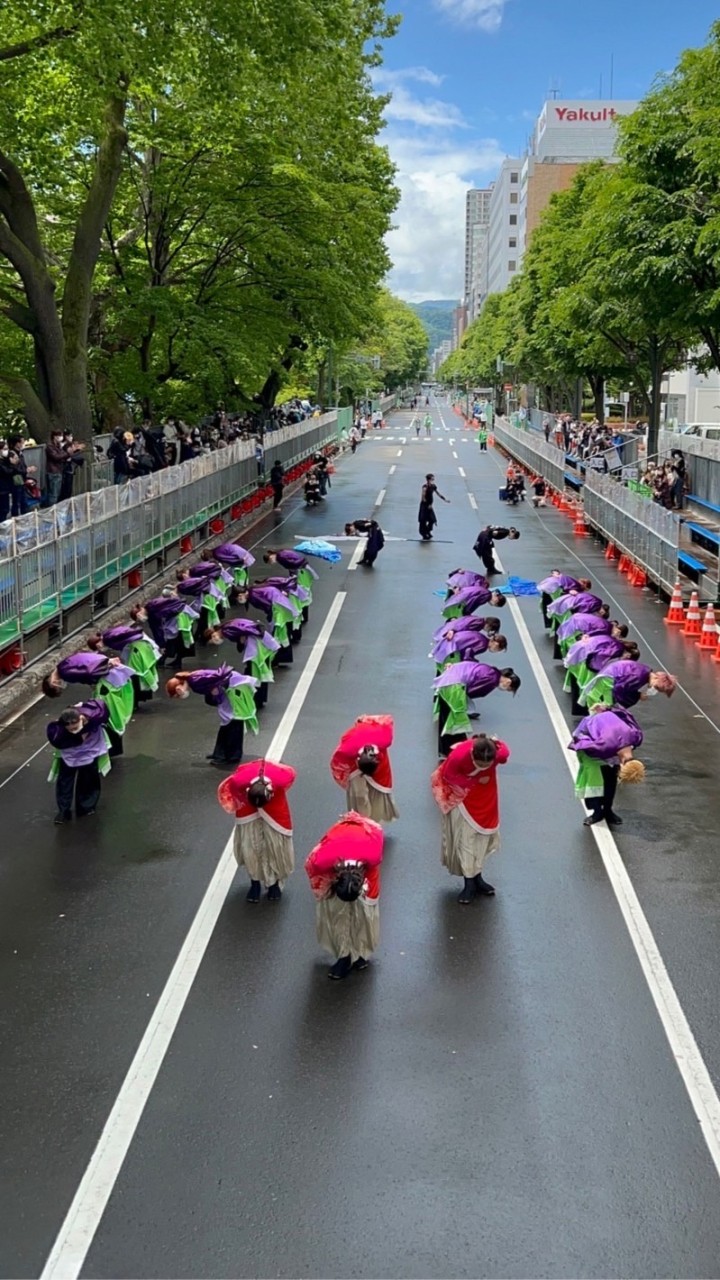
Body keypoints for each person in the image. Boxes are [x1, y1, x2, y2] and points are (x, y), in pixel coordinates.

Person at [431, 733, 510, 903]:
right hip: (463, 799)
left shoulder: (496, 753)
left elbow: (504, 754)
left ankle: (477, 877)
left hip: (487, 799)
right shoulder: (458, 755)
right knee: (465, 841)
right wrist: (473, 780)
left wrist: (497, 743)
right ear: (473, 754)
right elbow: (449, 776)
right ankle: (469, 882)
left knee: (482, 839)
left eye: (488, 764)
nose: (485, 766)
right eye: (480, 763)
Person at [305, 812, 384, 980]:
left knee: (363, 913)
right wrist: (329, 888)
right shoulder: (322, 859)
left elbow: (376, 862)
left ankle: (360, 953)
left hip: (364, 870)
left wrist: (363, 891)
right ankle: (345, 956)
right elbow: (312, 869)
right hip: (336, 869)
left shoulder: (372, 852)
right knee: (338, 914)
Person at [217, 759, 296, 902]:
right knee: (250, 849)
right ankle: (254, 883)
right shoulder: (239, 780)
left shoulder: (281, 777)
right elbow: (231, 789)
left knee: (275, 848)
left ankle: (274, 884)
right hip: (248, 811)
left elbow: (291, 775)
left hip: (275, 812)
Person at [41, 651, 134, 757]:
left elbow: (89, 671)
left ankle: (110, 748)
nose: (63, 686)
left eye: (59, 688)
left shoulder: (66, 673)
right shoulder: (63, 665)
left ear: (54, 683)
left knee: (109, 717)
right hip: (108, 673)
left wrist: (106, 664)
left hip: (106, 678)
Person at [166, 664, 259, 764]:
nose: (180, 697)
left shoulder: (195, 681)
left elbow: (215, 686)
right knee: (227, 721)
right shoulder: (193, 679)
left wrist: (217, 698)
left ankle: (231, 756)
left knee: (232, 720)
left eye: (177, 695)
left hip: (233, 687)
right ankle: (221, 753)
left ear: (178, 689)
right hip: (230, 687)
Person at [569, 706, 645, 827]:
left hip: (609, 744)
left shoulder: (636, 737)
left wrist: (609, 709)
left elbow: (627, 715)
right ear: (623, 763)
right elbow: (581, 741)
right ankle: (597, 812)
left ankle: (608, 810)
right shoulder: (604, 746)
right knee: (594, 782)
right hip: (592, 740)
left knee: (610, 782)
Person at [432, 662, 520, 757]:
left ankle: (445, 750)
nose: (505, 689)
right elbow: (471, 691)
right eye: (508, 689)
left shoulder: (491, 670)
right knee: (457, 723)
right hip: (454, 688)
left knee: (445, 718)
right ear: (508, 682)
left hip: (448, 681)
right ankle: (455, 751)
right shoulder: (493, 679)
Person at [46, 699, 112, 824]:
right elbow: (57, 741)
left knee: (88, 779)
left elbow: (102, 708)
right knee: (65, 782)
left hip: (90, 750)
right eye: (70, 729)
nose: (73, 730)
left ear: (81, 718)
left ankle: (86, 806)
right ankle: (63, 811)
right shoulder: (57, 730)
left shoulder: (94, 715)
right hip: (70, 754)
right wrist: (78, 739)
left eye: (75, 727)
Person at [330, 715, 399, 823]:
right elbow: (339, 758)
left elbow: (387, 721)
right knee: (359, 794)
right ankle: (363, 821)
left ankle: (370, 822)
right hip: (355, 767)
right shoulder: (348, 746)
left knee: (376, 792)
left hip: (377, 766)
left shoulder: (383, 739)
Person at [205, 617, 279, 708]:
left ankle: (256, 699)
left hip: (255, 649)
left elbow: (243, 631)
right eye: (213, 640)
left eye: (213, 636)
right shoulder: (227, 628)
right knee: (257, 673)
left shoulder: (227, 629)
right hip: (256, 647)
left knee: (254, 674)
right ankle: (258, 698)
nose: (216, 639)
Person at [581, 663, 677, 711]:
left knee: (605, 702)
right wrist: (637, 696)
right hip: (609, 678)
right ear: (656, 678)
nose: (653, 689)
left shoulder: (645, 672)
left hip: (611, 674)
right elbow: (621, 689)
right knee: (601, 701)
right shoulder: (638, 677)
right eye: (656, 687)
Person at [442, 582, 506, 620]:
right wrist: (466, 613)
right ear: (496, 600)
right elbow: (473, 603)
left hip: (461, 593)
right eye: (494, 604)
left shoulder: (485, 591)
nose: (492, 605)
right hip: (461, 599)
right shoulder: (486, 597)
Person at [418, 473, 449, 541]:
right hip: (424, 506)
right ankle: (424, 533)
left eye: (433, 479)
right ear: (428, 480)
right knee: (423, 520)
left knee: (432, 519)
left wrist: (444, 499)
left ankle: (428, 531)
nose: (433, 481)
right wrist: (427, 504)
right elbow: (423, 497)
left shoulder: (433, 486)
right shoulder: (425, 487)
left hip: (430, 506)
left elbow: (438, 493)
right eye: (432, 479)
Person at [45, 430, 69, 506]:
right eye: (59, 436)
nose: (60, 438)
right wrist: (66, 454)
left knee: (57, 493)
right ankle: (51, 510)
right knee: (53, 494)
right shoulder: (50, 447)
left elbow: (62, 455)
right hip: (53, 471)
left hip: (59, 470)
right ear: (54, 437)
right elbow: (56, 457)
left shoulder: (58, 446)